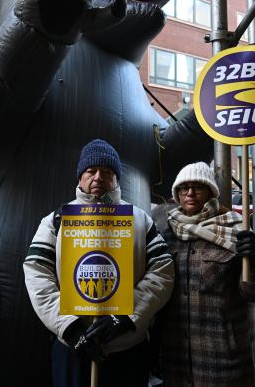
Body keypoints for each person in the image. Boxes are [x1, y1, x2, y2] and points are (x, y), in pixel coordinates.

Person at [24, 139, 174, 387]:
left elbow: (163, 271)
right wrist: (70, 328)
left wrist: (126, 317)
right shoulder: (56, 220)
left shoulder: (140, 220)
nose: (97, 177)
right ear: (80, 177)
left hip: (127, 349)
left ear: (116, 179)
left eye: (106, 172)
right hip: (74, 349)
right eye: (90, 171)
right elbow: (37, 274)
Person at [156, 162, 255, 387]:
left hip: (223, 360)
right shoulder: (167, 234)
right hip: (176, 359)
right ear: (177, 194)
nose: (189, 193)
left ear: (211, 192)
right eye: (183, 188)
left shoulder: (235, 230)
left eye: (197, 187)